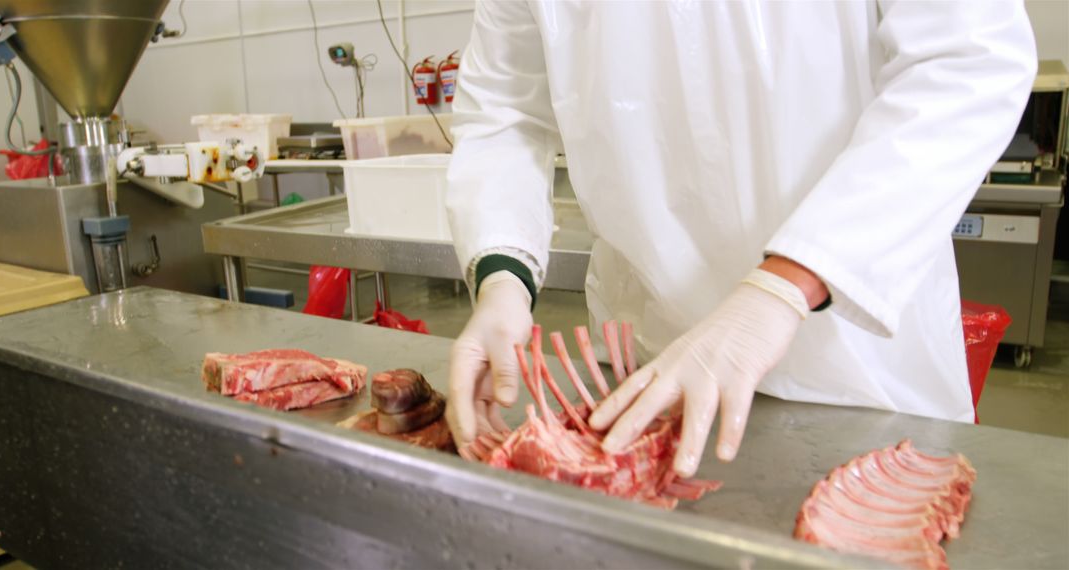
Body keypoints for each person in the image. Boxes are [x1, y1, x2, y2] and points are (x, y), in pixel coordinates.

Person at [443, 0, 1037, 477]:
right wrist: (502, 279)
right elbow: (505, 113)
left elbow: (968, 64)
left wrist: (784, 286)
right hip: (656, 362)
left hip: (860, 374)